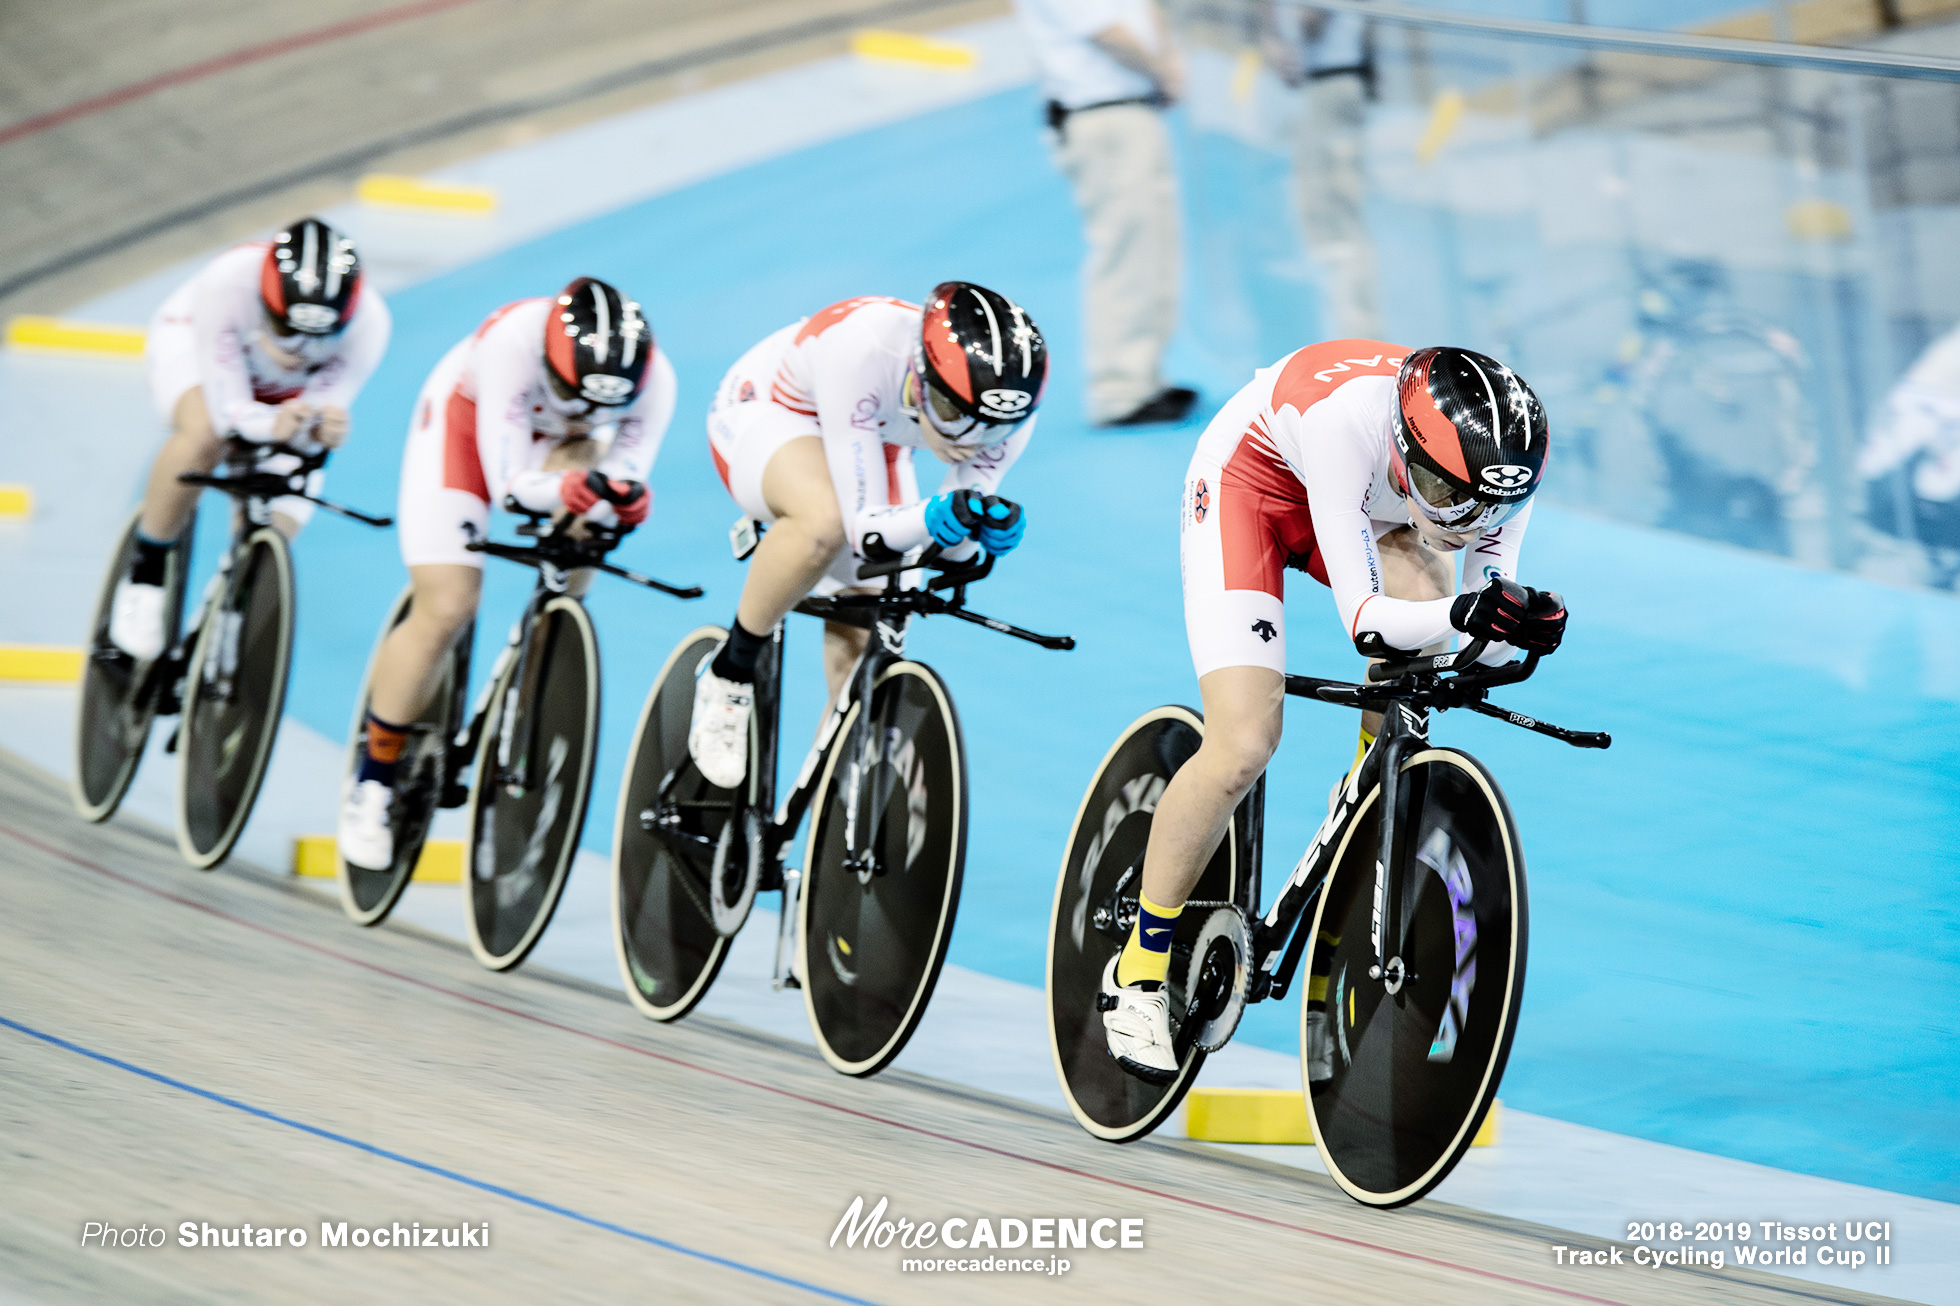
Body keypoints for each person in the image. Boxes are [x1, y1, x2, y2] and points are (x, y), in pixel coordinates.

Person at [1098, 341, 1568, 1082]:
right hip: (1250, 488)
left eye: (1487, 506)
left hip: (1367, 508)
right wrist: (1477, 612)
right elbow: (1369, 623)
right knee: (1245, 741)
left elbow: (1479, 608)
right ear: (1406, 446)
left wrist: (1517, 622)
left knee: (1432, 626)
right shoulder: (1345, 426)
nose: (1466, 519)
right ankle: (1139, 971)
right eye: (1447, 497)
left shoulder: (1499, 473)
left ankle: (1359, 798)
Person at [336, 277, 676, 870]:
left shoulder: (656, 382)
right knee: (448, 605)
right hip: (467, 430)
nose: (599, 407)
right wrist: (573, 487)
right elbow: (511, 487)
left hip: (567, 445)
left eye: (609, 401)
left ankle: (544, 646)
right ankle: (373, 778)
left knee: (591, 524)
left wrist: (620, 500)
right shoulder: (510, 345)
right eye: (581, 391)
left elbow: (625, 476)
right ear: (552, 360)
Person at [687, 284, 1045, 787]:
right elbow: (864, 530)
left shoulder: (1005, 414)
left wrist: (981, 526)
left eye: (990, 429)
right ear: (922, 379)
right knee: (823, 525)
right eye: (954, 415)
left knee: (878, 615)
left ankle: (818, 823)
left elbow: (943, 553)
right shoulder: (861, 349)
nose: (970, 441)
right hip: (771, 410)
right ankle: (730, 673)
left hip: (875, 430)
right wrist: (936, 515)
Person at [110, 216, 392, 660]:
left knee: (284, 500)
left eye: (317, 336)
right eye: (287, 329)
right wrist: (271, 424)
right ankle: (145, 572)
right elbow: (229, 413)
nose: (299, 346)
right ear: (267, 303)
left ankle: (231, 600)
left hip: (281, 394)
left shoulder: (370, 325)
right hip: (201, 350)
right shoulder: (230, 282)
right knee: (205, 434)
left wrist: (324, 427)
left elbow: (315, 419)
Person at [1014, 0, 1196, 427]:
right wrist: (1164, 69)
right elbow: (1106, 30)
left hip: (1132, 106)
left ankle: (1143, 376)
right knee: (1127, 249)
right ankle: (1120, 389)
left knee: (1151, 248)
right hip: (1104, 114)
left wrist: (1164, 62)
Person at [1263, 4, 1381, 338]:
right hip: (1320, 86)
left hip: (1332, 85)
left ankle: (1358, 337)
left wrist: (1282, 40)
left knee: (1336, 226)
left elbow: (1310, 21)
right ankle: (1352, 332)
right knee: (1328, 225)